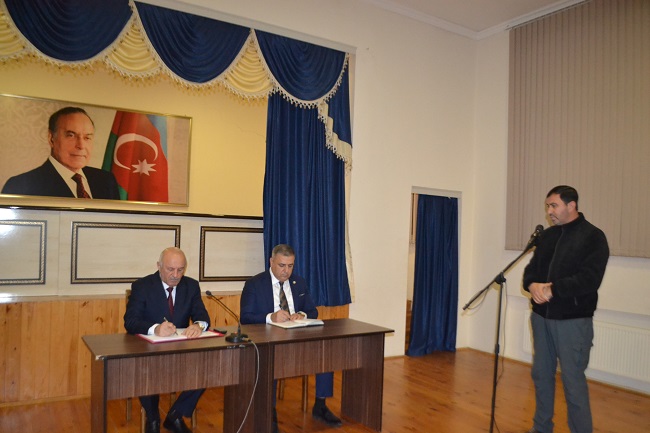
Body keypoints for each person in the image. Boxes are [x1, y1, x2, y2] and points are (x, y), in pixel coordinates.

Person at [523, 186, 609, 433]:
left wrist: (553, 289)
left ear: (572, 205)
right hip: (541, 318)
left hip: (573, 321)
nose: (549, 211)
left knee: (573, 381)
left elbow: (589, 279)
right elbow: (531, 271)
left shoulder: (593, 237)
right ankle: (541, 428)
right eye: (547, 206)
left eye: (554, 205)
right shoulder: (547, 236)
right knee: (541, 375)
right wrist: (532, 284)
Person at [240, 244, 342, 433]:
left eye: (290, 266)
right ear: (271, 262)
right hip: (269, 340)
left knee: (325, 353)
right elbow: (245, 317)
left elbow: (312, 311)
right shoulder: (254, 284)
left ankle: (320, 405)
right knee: (270, 361)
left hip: (298, 338)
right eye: (281, 265)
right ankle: (269, 412)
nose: (286, 271)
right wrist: (271, 317)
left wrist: (301, 314)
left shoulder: (299, 282)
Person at [124, 247, 210, 433]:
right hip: (149, 351)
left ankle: (175, 415)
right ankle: (153, 419)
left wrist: (198, 325)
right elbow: (130, 321)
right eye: (170, 269)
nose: (176, 275)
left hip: (180, 350)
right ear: (159, 266)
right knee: (144, 370)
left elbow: (202, 316)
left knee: (207, 369)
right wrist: (155, 328)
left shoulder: (191, 286)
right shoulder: (142, 286)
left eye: (180, 270)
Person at [1, 106, 120, 199]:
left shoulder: (106, 180)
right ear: (51, 138)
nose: (81, 145)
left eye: (87, 137)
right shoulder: (21, 185)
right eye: (71, 135)